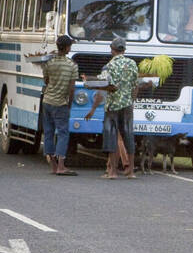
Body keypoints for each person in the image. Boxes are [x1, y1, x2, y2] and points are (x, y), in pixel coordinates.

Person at [84, 36, 138, 179]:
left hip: (113, 106)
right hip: (127, 105)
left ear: (112, 50)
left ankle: (112, 171)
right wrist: (131, 100)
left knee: (112, 137)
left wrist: (89, 83)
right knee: (128, 136)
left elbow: (103, 86)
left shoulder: (109, 66)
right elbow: (135, 85)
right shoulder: (132, 64)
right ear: (124, 49)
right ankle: (131, 171)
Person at [40, 35, 80, 176]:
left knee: (49, 132)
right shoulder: (72, 65)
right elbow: (72, 88)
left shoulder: (49, 63)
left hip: (47, 101)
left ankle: (53, 166)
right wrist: (69, 103)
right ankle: (62, 165)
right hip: (60, 103)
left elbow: (46, 80)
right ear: (68, 47)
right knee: (63, 133)